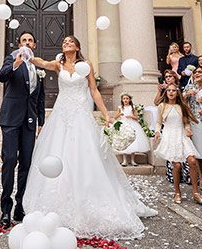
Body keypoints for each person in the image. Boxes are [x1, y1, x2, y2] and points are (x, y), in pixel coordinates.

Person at [23, 36, 156, 237]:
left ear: (77, 46)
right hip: (61, 115)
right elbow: (42, 62)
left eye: (70, 41)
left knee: (84, 155)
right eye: (64, 42)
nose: (66, 43)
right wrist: (27, 54)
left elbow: (93, 90)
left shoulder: (86, 65)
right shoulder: (58, 64)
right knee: (58, 154)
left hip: (80, 114)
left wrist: (105, 114)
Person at [0, 31, 47, 228]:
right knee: (9, 161)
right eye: (23, 40)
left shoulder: (38, 66)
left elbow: (39, 97)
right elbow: (1, 77)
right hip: (10, 119)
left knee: (26, 164)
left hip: (29, 121)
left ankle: (20, 206)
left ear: (34, 45)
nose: (27, 42)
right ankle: (5, 210)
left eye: (30, 40)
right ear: (19, 44)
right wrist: (15, 64)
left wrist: (41, 121)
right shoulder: (11, 58)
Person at [154, 83, 202, 205]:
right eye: (169, 90)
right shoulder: (162, 106)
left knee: (192, 161)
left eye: (174, 90)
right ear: (166, 92)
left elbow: (186, 122)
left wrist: (188, 129)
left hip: (182, 135)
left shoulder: (182, 106)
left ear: (177, 92)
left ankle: (195, 192)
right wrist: (157, 132)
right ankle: (177, 192)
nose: (171, 92)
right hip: (170, 135)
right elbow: (158, 122)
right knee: (176, 165)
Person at [182, 66, 202, 191]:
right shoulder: (190, 87)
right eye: (195, 72)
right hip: (195, 120)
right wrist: (187, 94)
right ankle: (201, 178)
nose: (196, 74)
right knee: (198, 150)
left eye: (200, 72)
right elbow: (181, 100)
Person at [114, 93, 151, 167]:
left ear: (130, 99)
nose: (125, 100)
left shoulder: (132, 107)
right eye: (124, 98)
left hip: (132, 125)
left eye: (127, 98)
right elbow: (115, 117)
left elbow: (136, 117)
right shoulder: (120, 107)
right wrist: (120, 114)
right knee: (124, 141)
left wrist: (131, 116)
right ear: (122, 100)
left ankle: (132, 160)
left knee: (133, 142)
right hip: (123, 125)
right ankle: (124, 161)